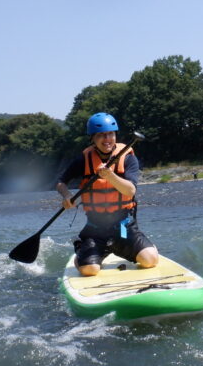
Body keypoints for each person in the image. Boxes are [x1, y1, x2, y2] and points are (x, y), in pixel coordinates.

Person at [56, 112, 159, 276]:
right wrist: (67, 196)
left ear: (115, 135)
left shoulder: (128, 158)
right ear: (92, 138)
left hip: (124, 225)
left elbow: (130, 190)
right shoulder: (84, 160)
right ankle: (81, 249)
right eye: (101, 135)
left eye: (110, 134)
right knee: (89, 270)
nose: (107, 139)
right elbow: (61, 182)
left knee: (150, 260)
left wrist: (110, 175)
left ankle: (144, 248)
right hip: (95, 228)